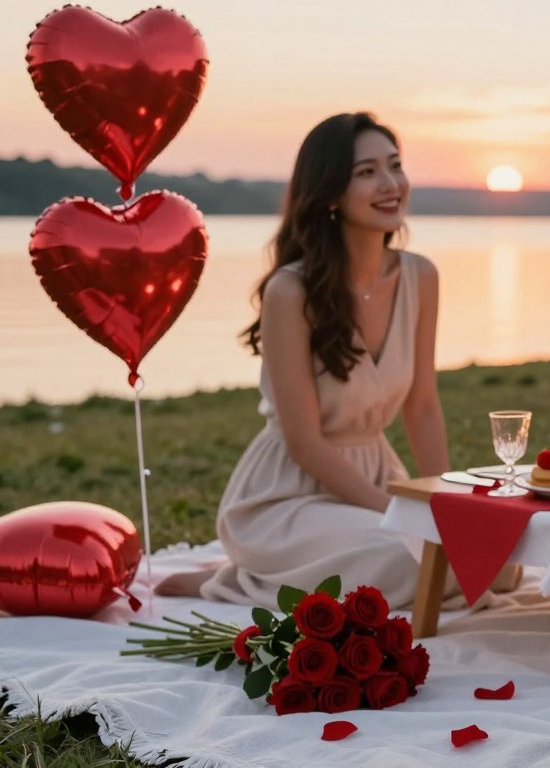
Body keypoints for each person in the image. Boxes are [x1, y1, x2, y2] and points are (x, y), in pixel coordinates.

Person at [158, 112, 452, 610]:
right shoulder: (290, 291)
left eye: (395, 166)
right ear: (330, 191)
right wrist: (401, 517)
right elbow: (304, 442)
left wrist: (448, 509)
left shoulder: (420, 276)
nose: (390, 184)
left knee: (495, 565)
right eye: (366, 172)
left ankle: (290, 573)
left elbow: (421, 406)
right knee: (413, 560)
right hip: (289, 495)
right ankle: (241, 579)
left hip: (376, 472)